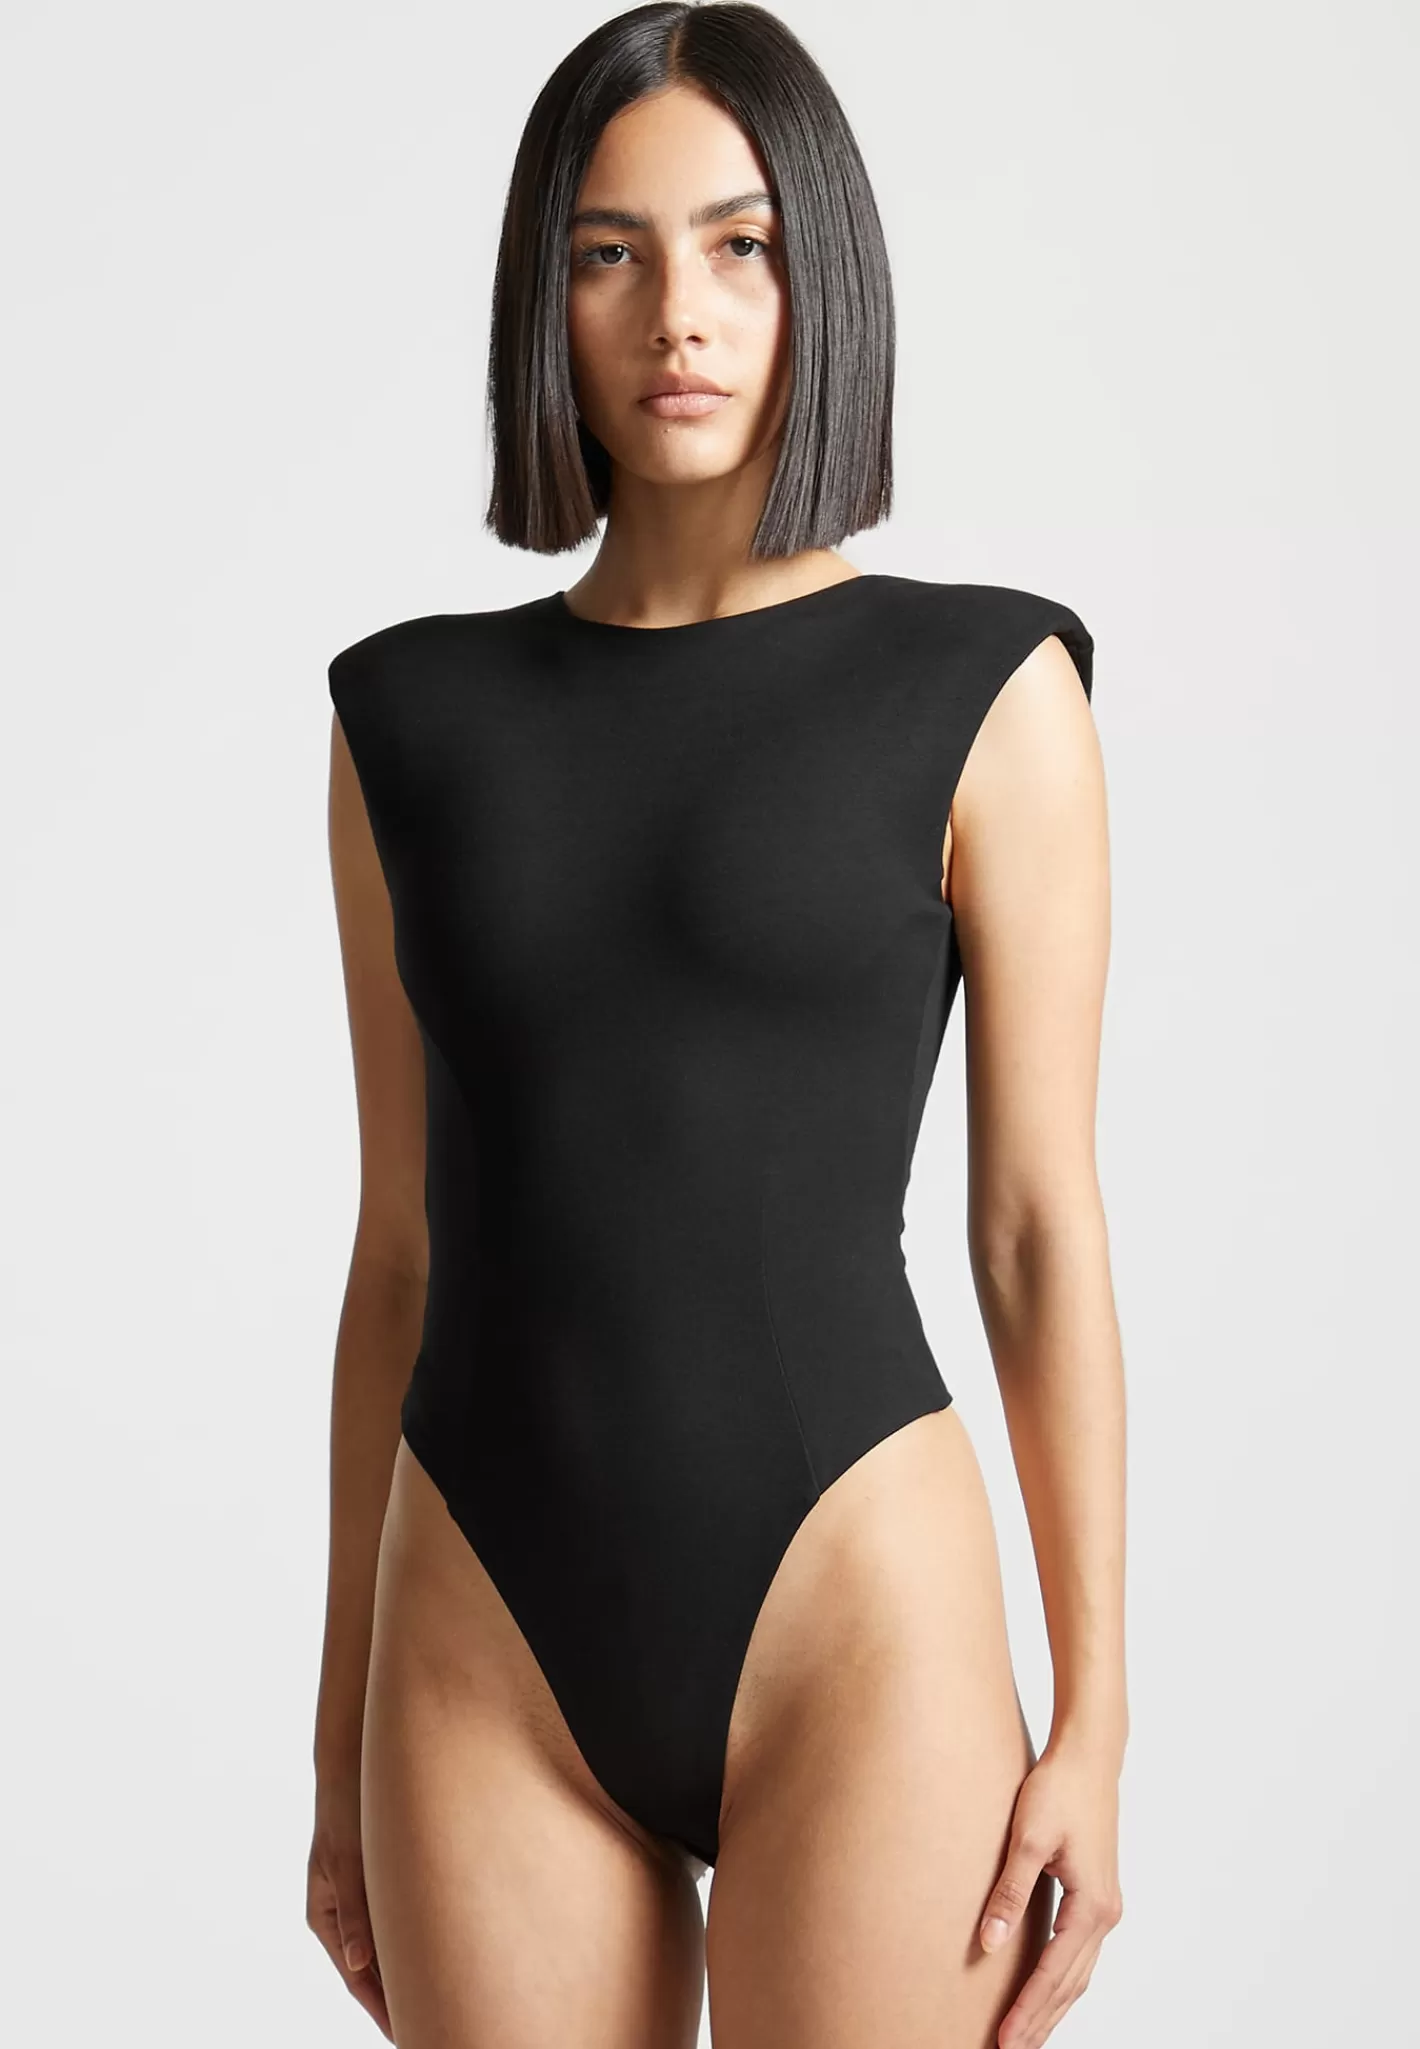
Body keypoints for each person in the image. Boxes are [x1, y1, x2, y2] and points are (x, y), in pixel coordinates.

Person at [307, 6, 1125, 2046]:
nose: (675, 312)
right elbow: (398, 1244)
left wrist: (1096, 1718)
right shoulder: (406, 722)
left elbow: (1033, 1229)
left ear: (815, 271)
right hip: (478, 1628)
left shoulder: (987, 691)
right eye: (610, 252)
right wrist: (335, 1738)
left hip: (857, 1614)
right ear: (547, 296)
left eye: (738, 246)